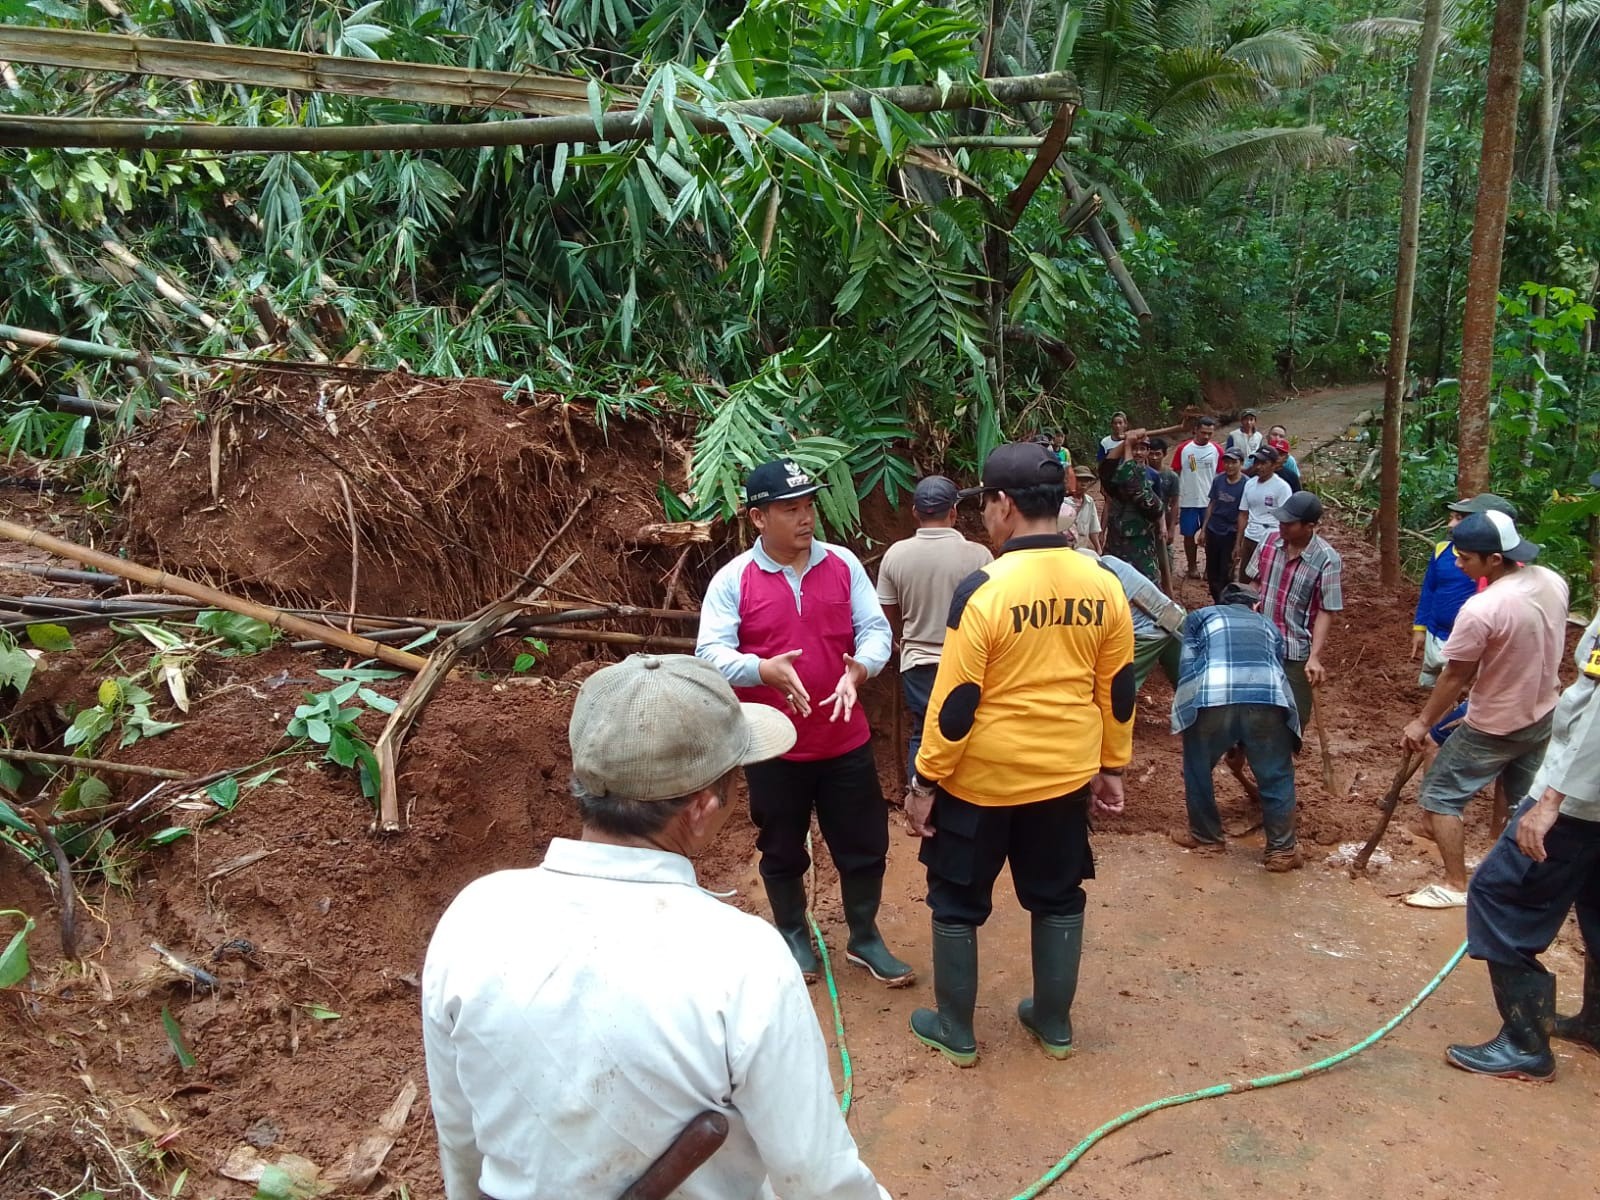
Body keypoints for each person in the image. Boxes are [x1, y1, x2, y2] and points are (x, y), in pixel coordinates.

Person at [421, 654, 891, 1200]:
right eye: (736, 781)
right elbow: (817, 1180)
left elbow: (460, 1133)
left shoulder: (475, 915)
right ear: (702, 807)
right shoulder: (743, 959)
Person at [902, 441, 1135, 1067]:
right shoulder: (1103, 581)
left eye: (987, 505)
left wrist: (925, 781)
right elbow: (1117, 687)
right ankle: (1053, 1023)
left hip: (981, 783)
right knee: (1057, 896)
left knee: (955, 901)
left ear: (1003, 505)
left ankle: (956, 1028)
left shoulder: (984, 589)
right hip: (1063, 778)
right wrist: (1112, 767)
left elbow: (955, 704)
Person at [697, 459, 912, 985]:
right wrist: (761, 669)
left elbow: (875, 631)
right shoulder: (733, 581)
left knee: (864, 843)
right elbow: (709, 653)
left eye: (809, 505)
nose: (805, 518)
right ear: (757, 518)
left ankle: (864, 936)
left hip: (845, 739)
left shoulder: (842, 564)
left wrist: (859, 669)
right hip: (773, 747)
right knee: (781, 845)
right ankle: (794, 933)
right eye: (790, 508)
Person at [1445, 600, 1600, 1082]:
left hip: (1580, 800)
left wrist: (1552, 799)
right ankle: (1596, 1024)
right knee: (1596, 900)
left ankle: (1524, 1043)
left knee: (1499, 894)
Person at [1399, 511, 1568, 909]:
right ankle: (1514, 880)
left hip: (1494, 723)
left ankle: (1456, 884)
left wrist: (1423, 722)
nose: (1458, 564)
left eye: (1466, 558)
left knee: (1440, 796)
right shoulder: (1551, 581)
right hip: (1544, 712)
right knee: (1521, 801)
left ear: (1495, 559)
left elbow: (1455, 675)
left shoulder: (1483, 607)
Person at [1169, 584, 1302, 870]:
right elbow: (1277, 667)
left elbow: (1188, 666)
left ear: (1222, 602)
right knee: (1276, 773)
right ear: (1255, 606)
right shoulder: (1269, 625)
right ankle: (1281, 851)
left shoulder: (1201, 616)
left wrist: (1190, 714)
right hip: (1267, 698)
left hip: (1213, 696)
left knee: (1198, 764)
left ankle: (1207, 838)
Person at [877, 475, 994, 785]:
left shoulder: (895, 555)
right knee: (968, 732)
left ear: (915, 512)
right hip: (967, 662)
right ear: (953, 512)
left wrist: (900, 640)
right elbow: (992, 612)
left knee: (925, 732)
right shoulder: (979, 556)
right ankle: (965, 799)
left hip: (918, 663)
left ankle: (921, 797)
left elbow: (886, 610)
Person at [1251, 492, 1343, 732]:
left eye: (1289, 524)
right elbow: (1254, 583)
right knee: (1255, 702)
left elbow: (1326, 610)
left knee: (1296, 715)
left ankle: (1286, 752)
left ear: (1309, 526)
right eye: (1280, 521)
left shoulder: (1326, 559)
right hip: (1260, 640)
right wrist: (1249, 606)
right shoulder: (1268, 542)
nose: (1282, 527)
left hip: (1296, 648)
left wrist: (1314, 656)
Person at [1412, 494, 1519, 687]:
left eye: (1460, 519)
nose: (1451, 524)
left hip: (1465, 639)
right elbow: (1429, 589)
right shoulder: (1442, 551)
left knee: (1452, 681)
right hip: (1435, 632)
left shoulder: (1497, 567)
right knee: (1428, 679)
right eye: (1452, 517)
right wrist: (1420, 628)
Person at [1081, 547, 1185, 692]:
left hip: (1151, 631)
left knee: (1114, 683)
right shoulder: (1111, 560)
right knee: (1185, 681)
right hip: (1175, 615)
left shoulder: (1103, 585)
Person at [1098, 426, 1166, 586]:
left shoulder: (1147, 489)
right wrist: (1126, 442)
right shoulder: (1118, 477)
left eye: (1142, 448)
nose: (1137, 453)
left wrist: (1128, 445)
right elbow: (1106, 466)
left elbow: (1132, 483)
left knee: (1147, 593)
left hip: (1140, 553)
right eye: (1134, 449)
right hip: (1116, 548)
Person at [1171, 417, 1221, 579]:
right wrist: (1175, 499)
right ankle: (1192, 566)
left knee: (1211, 536)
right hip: (1188, 500)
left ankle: (1209, 568)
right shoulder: (1183, 449)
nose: (1206, 437)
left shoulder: (1217, 450)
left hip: (1209, 501)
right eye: (1203, 433)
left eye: (1210, 433)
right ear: (1196, 430)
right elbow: (1176, 473)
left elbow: (1221, 475)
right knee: (1188, 534)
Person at [1197, 447, 1248, 603]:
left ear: (1241, 463)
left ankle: (1225, 602)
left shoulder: (1246, 484)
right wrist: (1204, 530)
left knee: (1226, 571)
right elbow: (1212, 504)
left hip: (1231, 532)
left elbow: (1244, 514)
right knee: (1212, 569)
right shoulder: (1218, 480)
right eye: (1226, 462)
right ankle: (1216, 600)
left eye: (1234, 462)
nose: (1229, 466)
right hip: (1214, 529)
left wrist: (1239, 542)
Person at [1235, 445, 1291, 577]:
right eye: (1256, 462)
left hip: (1271, 538)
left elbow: (1287, 518)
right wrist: (1238, 542)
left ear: (1273, 465)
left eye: (1264, 463)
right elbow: (1243, 514)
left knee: (1265, 578)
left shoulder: (1282, 488)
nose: (1259, 467)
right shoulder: (1249, 484)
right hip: (1250, 536)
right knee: (1245, 577)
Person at [1058, 465, 1104, 553]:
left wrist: (1098, 548)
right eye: (1080, 480)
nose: (1083, 484)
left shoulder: (1089, 502)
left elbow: (1093, 528)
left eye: (1086, 481)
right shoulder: (1062, 502)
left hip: (1082, 547)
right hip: (1064, 549)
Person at [1267, 426, 1301, 492]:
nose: (1277, 438)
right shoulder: (1258, 459)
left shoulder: (1290, 464)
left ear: (1286, 458)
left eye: (1281, 436)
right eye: (1274, 434)